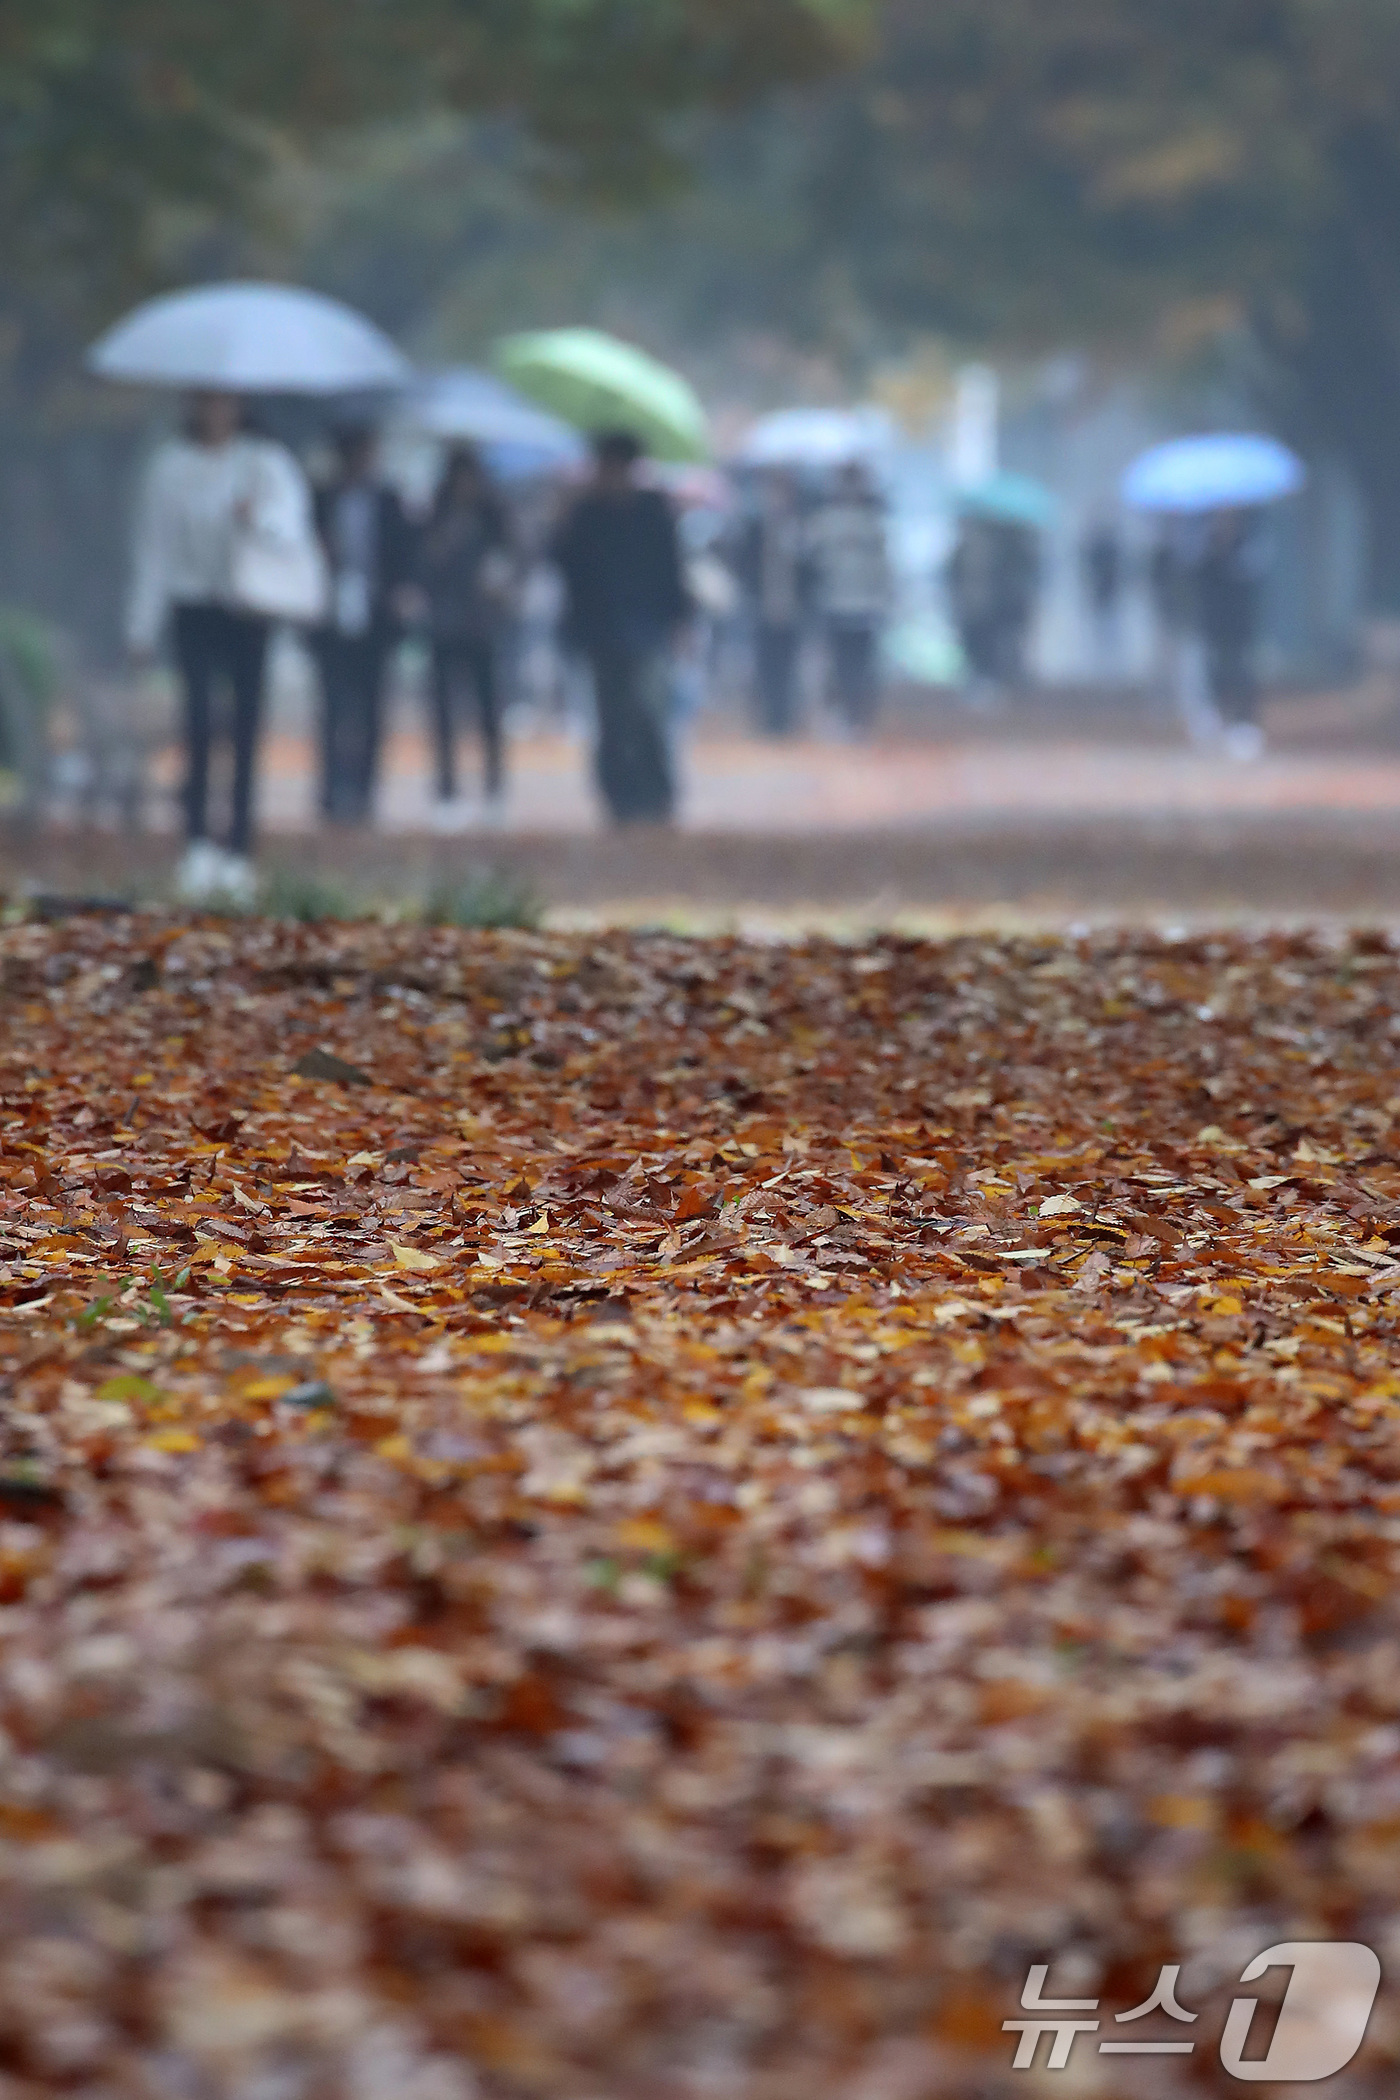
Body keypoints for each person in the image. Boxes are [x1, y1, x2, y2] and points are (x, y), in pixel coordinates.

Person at [128, 389, 324, 904]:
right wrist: (141, 626)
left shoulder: (264, 462)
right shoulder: (170, 468)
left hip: (248, 608)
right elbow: (155, 547)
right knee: (196, 722)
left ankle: (240, 850)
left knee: (244, 727)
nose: (217, 411)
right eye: (208, 401)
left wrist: (254, 516)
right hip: (192, 607)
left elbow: (291, 528)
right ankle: (196, 845)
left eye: (226, 401)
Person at [549, 430, 691, 825]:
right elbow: (561, 564)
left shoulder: (652, 511)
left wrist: (680, 621)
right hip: (599, 631)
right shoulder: (584, 514)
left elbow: (671, 571)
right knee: (611, 719)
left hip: (648, 628)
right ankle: (619, 798)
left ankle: (657, 795)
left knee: (649, 711)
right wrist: (561, 515)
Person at [311, 425, 414, 827]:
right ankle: (332, 790)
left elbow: (405, 553)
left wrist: (401, 593)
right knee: (332, 707)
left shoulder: (389, 501)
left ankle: (365, 792)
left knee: (371, 709)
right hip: (330, 616)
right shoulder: (321, 500)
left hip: (376, 617)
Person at [416, 444, 515, 826]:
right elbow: (422, 566)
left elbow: (515, 562)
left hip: (484, 627)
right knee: (443, 713)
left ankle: (494, 790)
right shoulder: (436, 518)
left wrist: (502, 582)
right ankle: (446, 791)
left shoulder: (493, 518)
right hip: (444, 627)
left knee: (489, 712)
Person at [804, 461, 892, 734]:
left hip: (866, 606)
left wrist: (884, 599)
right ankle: (841, 715)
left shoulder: (873, 522)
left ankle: (859, 717)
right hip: (834, 604)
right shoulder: (824, 521)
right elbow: (811, 560)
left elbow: (882, 567)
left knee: (862, 666)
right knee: (838, 665)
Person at [733, 468, 807, 736]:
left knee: (788, 666)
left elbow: (807, 570)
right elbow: (743, 564)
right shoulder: (755, 528)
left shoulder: (798, 527)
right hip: (761, 609)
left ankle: (783, 717)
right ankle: (767, 719)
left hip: (791, 610)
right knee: (765, 666)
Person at [1193, 507, 1268, 759]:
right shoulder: (1206, 554)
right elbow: (1200, 589)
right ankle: (1217, 720)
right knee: (1215, 672)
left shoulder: (1247, 551)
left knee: (1242, 673)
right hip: (1215, 627)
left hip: (1240, 628)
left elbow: (1252, 588)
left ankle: (1244, 725)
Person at [1080, 520, 1123, 674]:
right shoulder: (1104, 549)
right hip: (1103, 591)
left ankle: (1108, 654)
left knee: (1107, 624)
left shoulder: (1107, 549)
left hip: (1106, 591)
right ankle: (1102, 653)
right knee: (1103, 624)